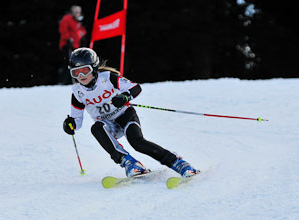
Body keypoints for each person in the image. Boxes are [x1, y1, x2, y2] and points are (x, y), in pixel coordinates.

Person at [62, 48, 199, 178]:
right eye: (76, 72)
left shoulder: (108, 78)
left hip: (125, 116)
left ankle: (179, 163)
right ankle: (130, 163)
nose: (81, 76)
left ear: (95, 67)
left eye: (85, 70)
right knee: (96, 128)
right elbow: (77, 120)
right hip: (108, 125)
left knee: (137, 142)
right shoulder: (77, 92)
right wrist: (70, 125)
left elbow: (135, 88)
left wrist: (125, 97)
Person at [58, 5, 87, 85]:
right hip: (67, 45)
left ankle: (74, 81)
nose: (78, 13)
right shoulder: (67, 18)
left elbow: (82, 31)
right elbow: (63, 29)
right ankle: (62, 81)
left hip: (75, 46)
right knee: (67, 63)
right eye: (76, 12)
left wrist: (82, 34)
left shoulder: (77, 21)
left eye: (79, 12)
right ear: (72, 12)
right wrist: (68, 38)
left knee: (75, 64)